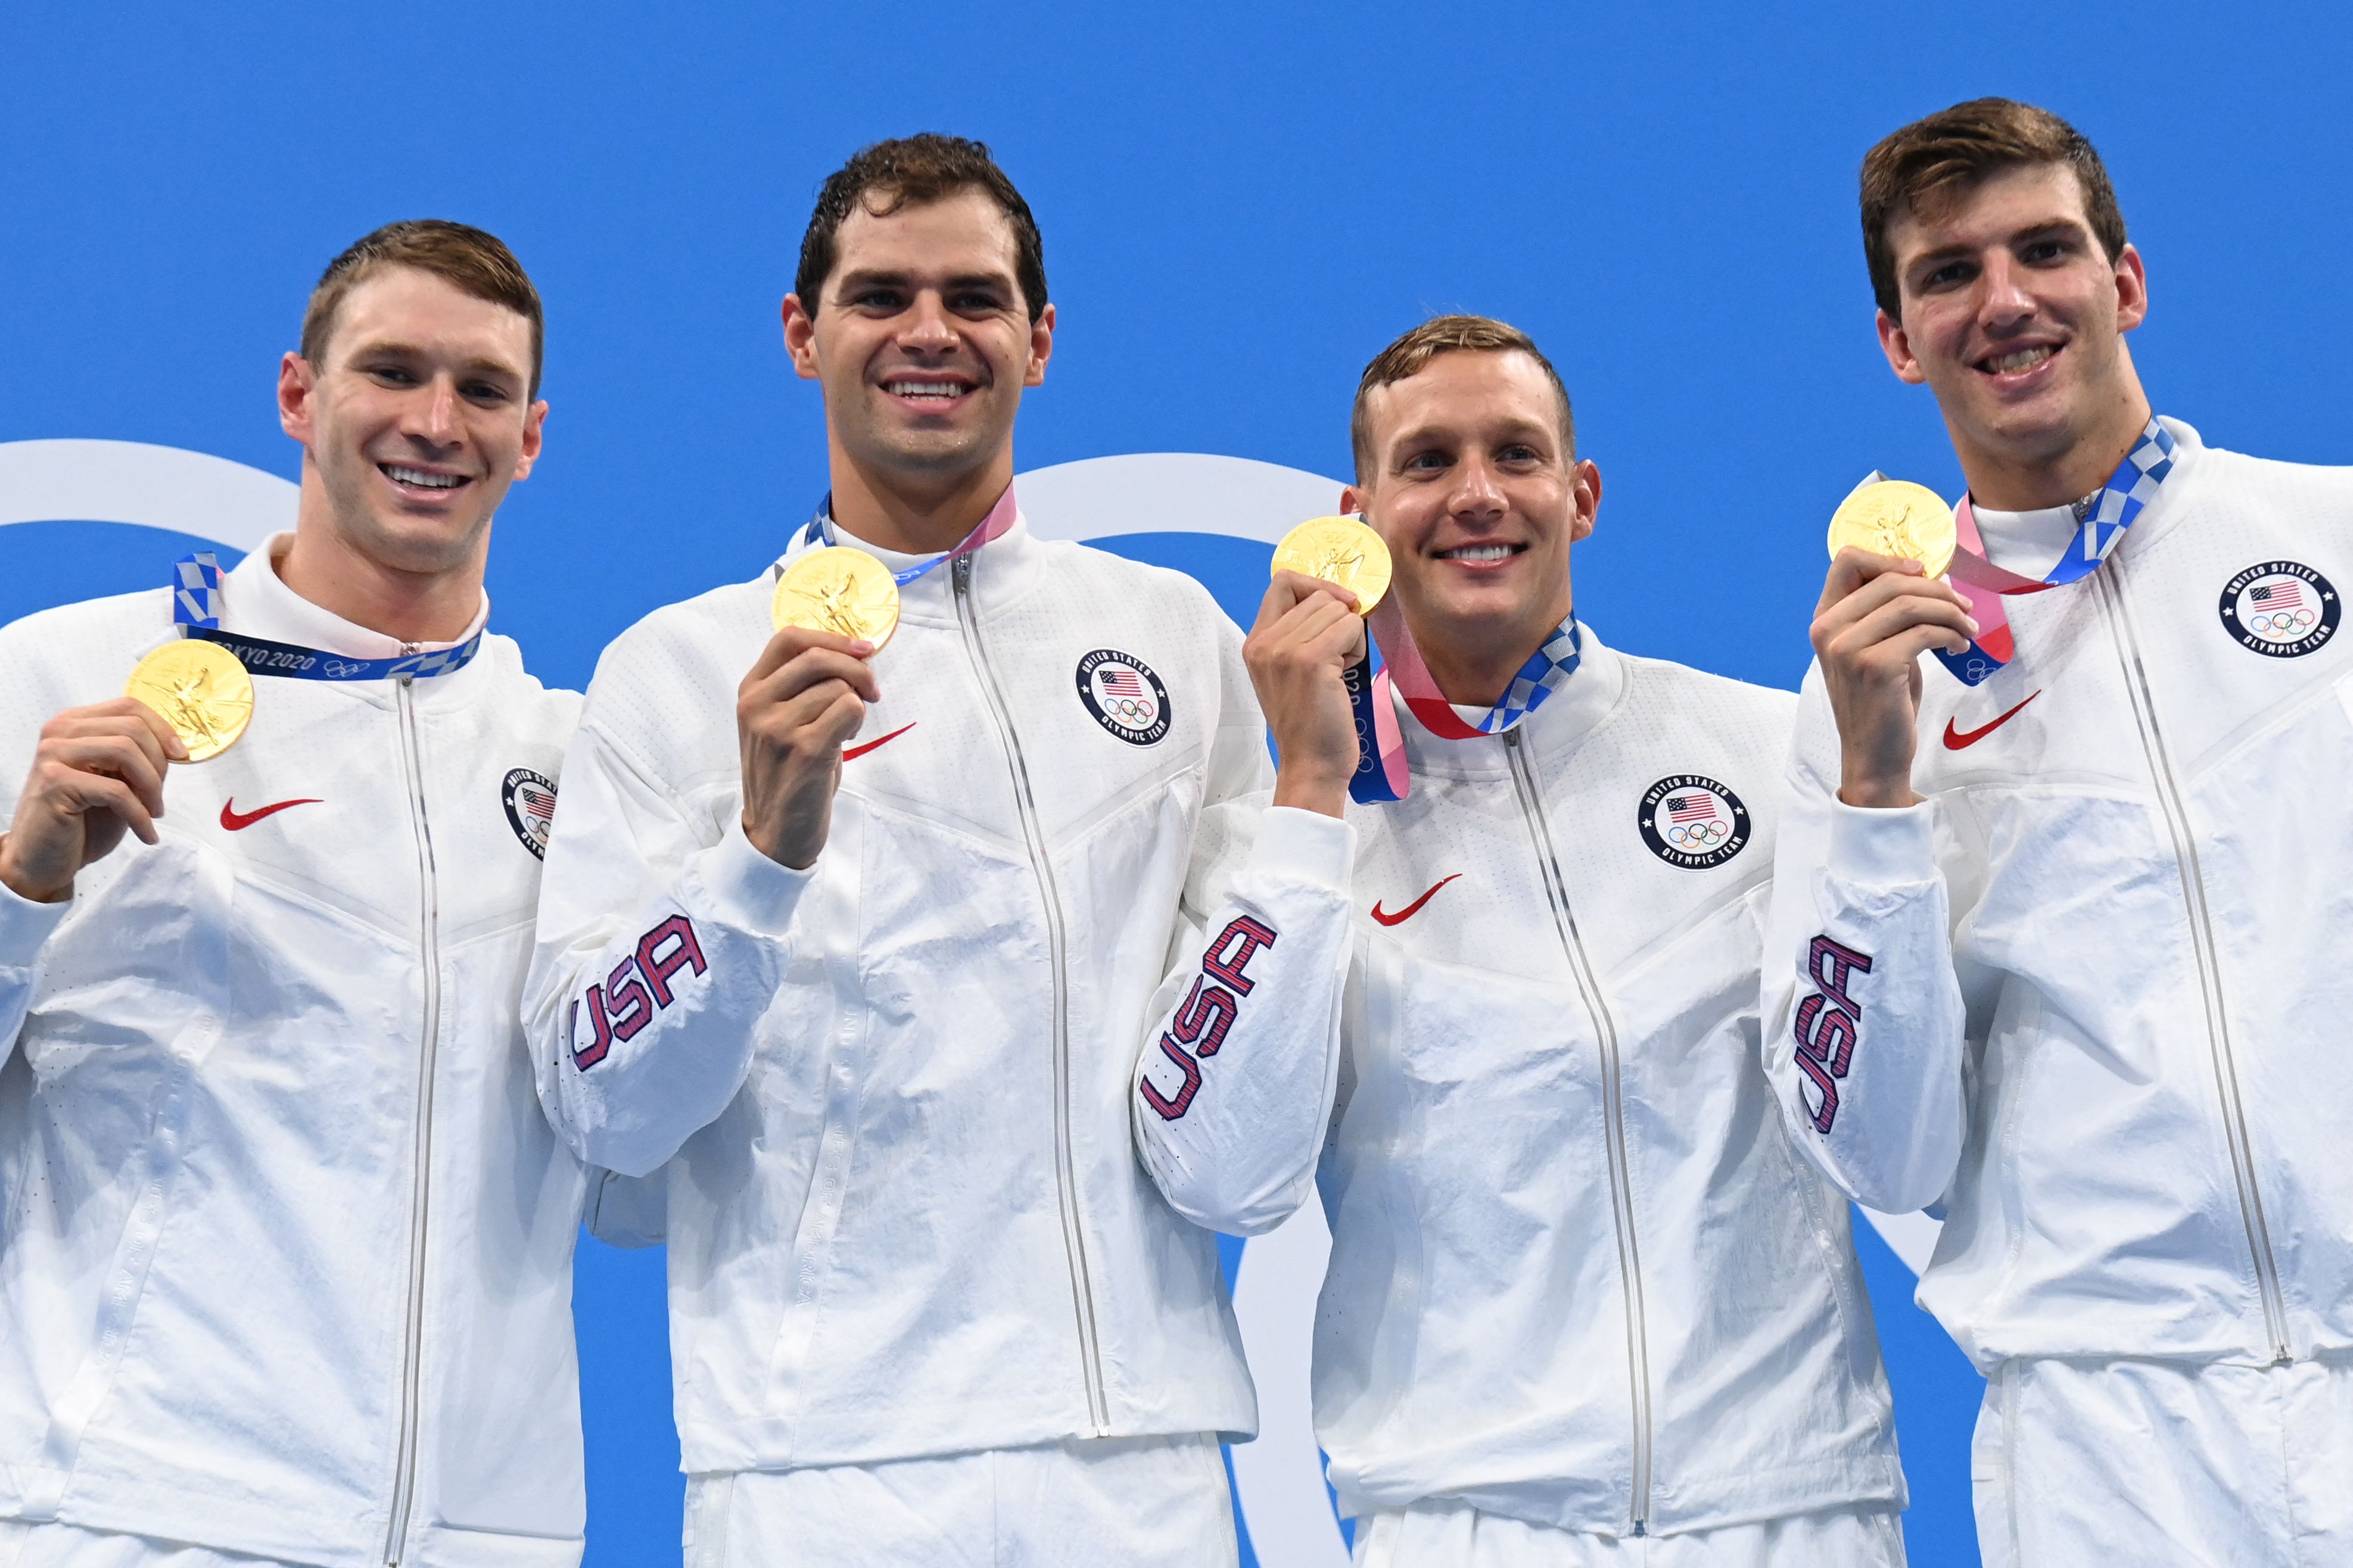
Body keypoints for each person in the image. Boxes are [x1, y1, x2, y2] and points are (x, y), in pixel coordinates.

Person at [523, 133, 1324, 1567]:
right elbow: (603, 1111)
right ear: (801, 334)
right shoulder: (677, 671)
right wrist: (758, 856)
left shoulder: (1171, 641)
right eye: (881, 294)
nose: (930, 333)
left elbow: (1234, 1130)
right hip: (820, 1469)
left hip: (1137, 1456)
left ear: (1040, 339)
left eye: (974, 296)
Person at [1134, 314, 1907, 1566]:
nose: (1477, 494)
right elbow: (1222, 1176)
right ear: (1359, 514)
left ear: (1581, 495)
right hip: (1465, 1521)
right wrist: (1310, 806)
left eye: (1516, 453)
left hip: (1792, 1504)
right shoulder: (1284, 840)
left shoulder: (1766, 754)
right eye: (1428, 461)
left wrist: (1877, 799)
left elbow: (1896, 1139)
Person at [1765, 96, 2353, 1565]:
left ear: (2126, 281)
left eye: (2044, 249)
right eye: (1946, 272)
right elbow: (1878, 1151)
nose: (2004, 301)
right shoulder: (1857, 689)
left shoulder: (2331, 540)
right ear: (1898, 340)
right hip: (2112, 1443)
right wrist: (1878, 793)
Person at [0, 222, 600, 1567]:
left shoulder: (578, 764)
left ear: (533, 436)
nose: (435, 422)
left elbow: (634, 1169)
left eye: (483, 390)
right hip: (138, 1513)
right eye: (391, 372)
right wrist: (18, 889)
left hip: (484, 1537)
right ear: (298, 395)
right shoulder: (60, 680)